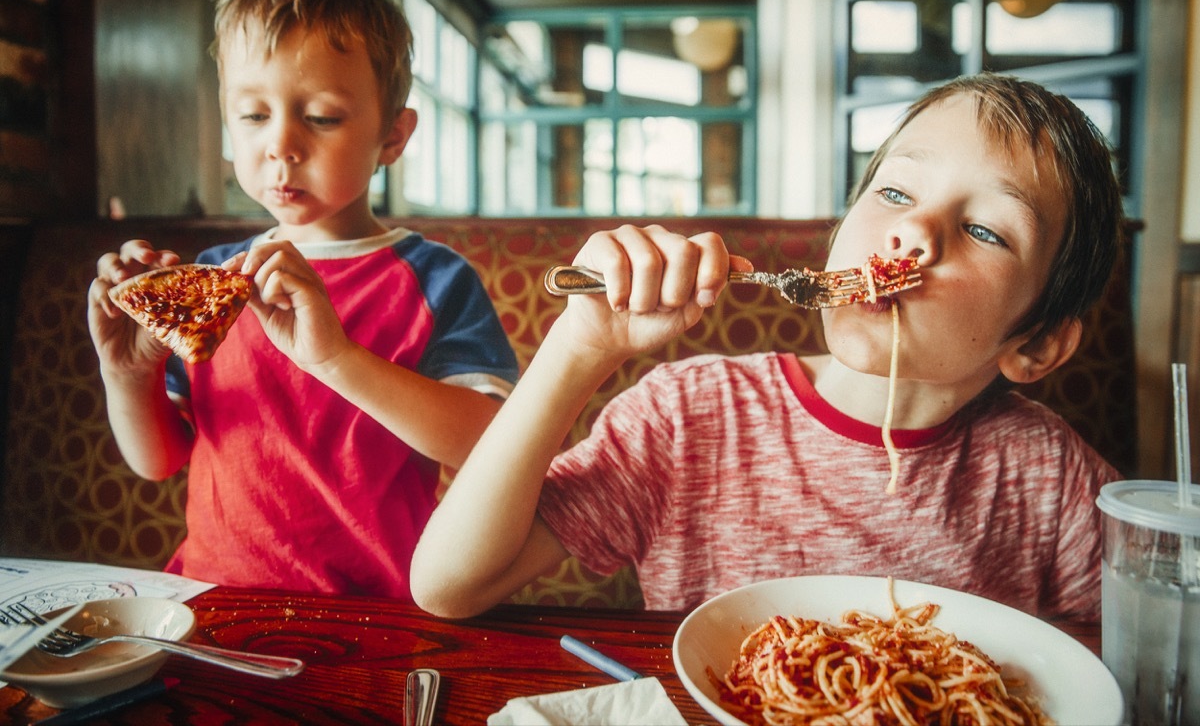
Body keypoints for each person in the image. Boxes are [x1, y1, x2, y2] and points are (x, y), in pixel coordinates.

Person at [410, 72, 1124, 621]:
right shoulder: (689, 415)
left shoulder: (1049, 476)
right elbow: (450, 584)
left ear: (1035, 345)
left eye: (986, 230)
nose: (912, 235)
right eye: (897, 194)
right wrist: (579, 346)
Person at [87, 0, 518, 598]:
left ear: (393, 135)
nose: (281, 144)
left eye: (320, 117)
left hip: (381, 609)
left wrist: (338, 358)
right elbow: (158, 461)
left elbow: (491, 451)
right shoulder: (210, 282)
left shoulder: (434, 279)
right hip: (211, 598)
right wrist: (127, 374)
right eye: (254, 116)